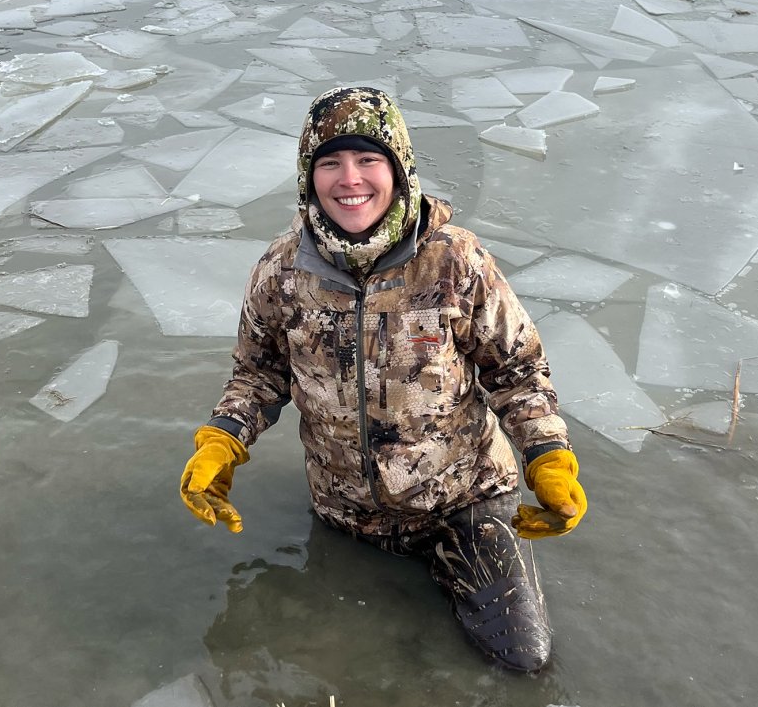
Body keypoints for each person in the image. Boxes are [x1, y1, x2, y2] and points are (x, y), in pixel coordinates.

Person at [179, 86, 587, 672]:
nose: (350, 179)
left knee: (523, 660)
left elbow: (518, 371)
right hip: (344, 512)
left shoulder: (455, 261)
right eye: (330, 162)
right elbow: (258, 373)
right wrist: (221, 441)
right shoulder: (281, 271)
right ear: (308, 175)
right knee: (350, 665)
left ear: (398, 168)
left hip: (461, 503)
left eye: (369, 160)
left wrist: (547, 457)